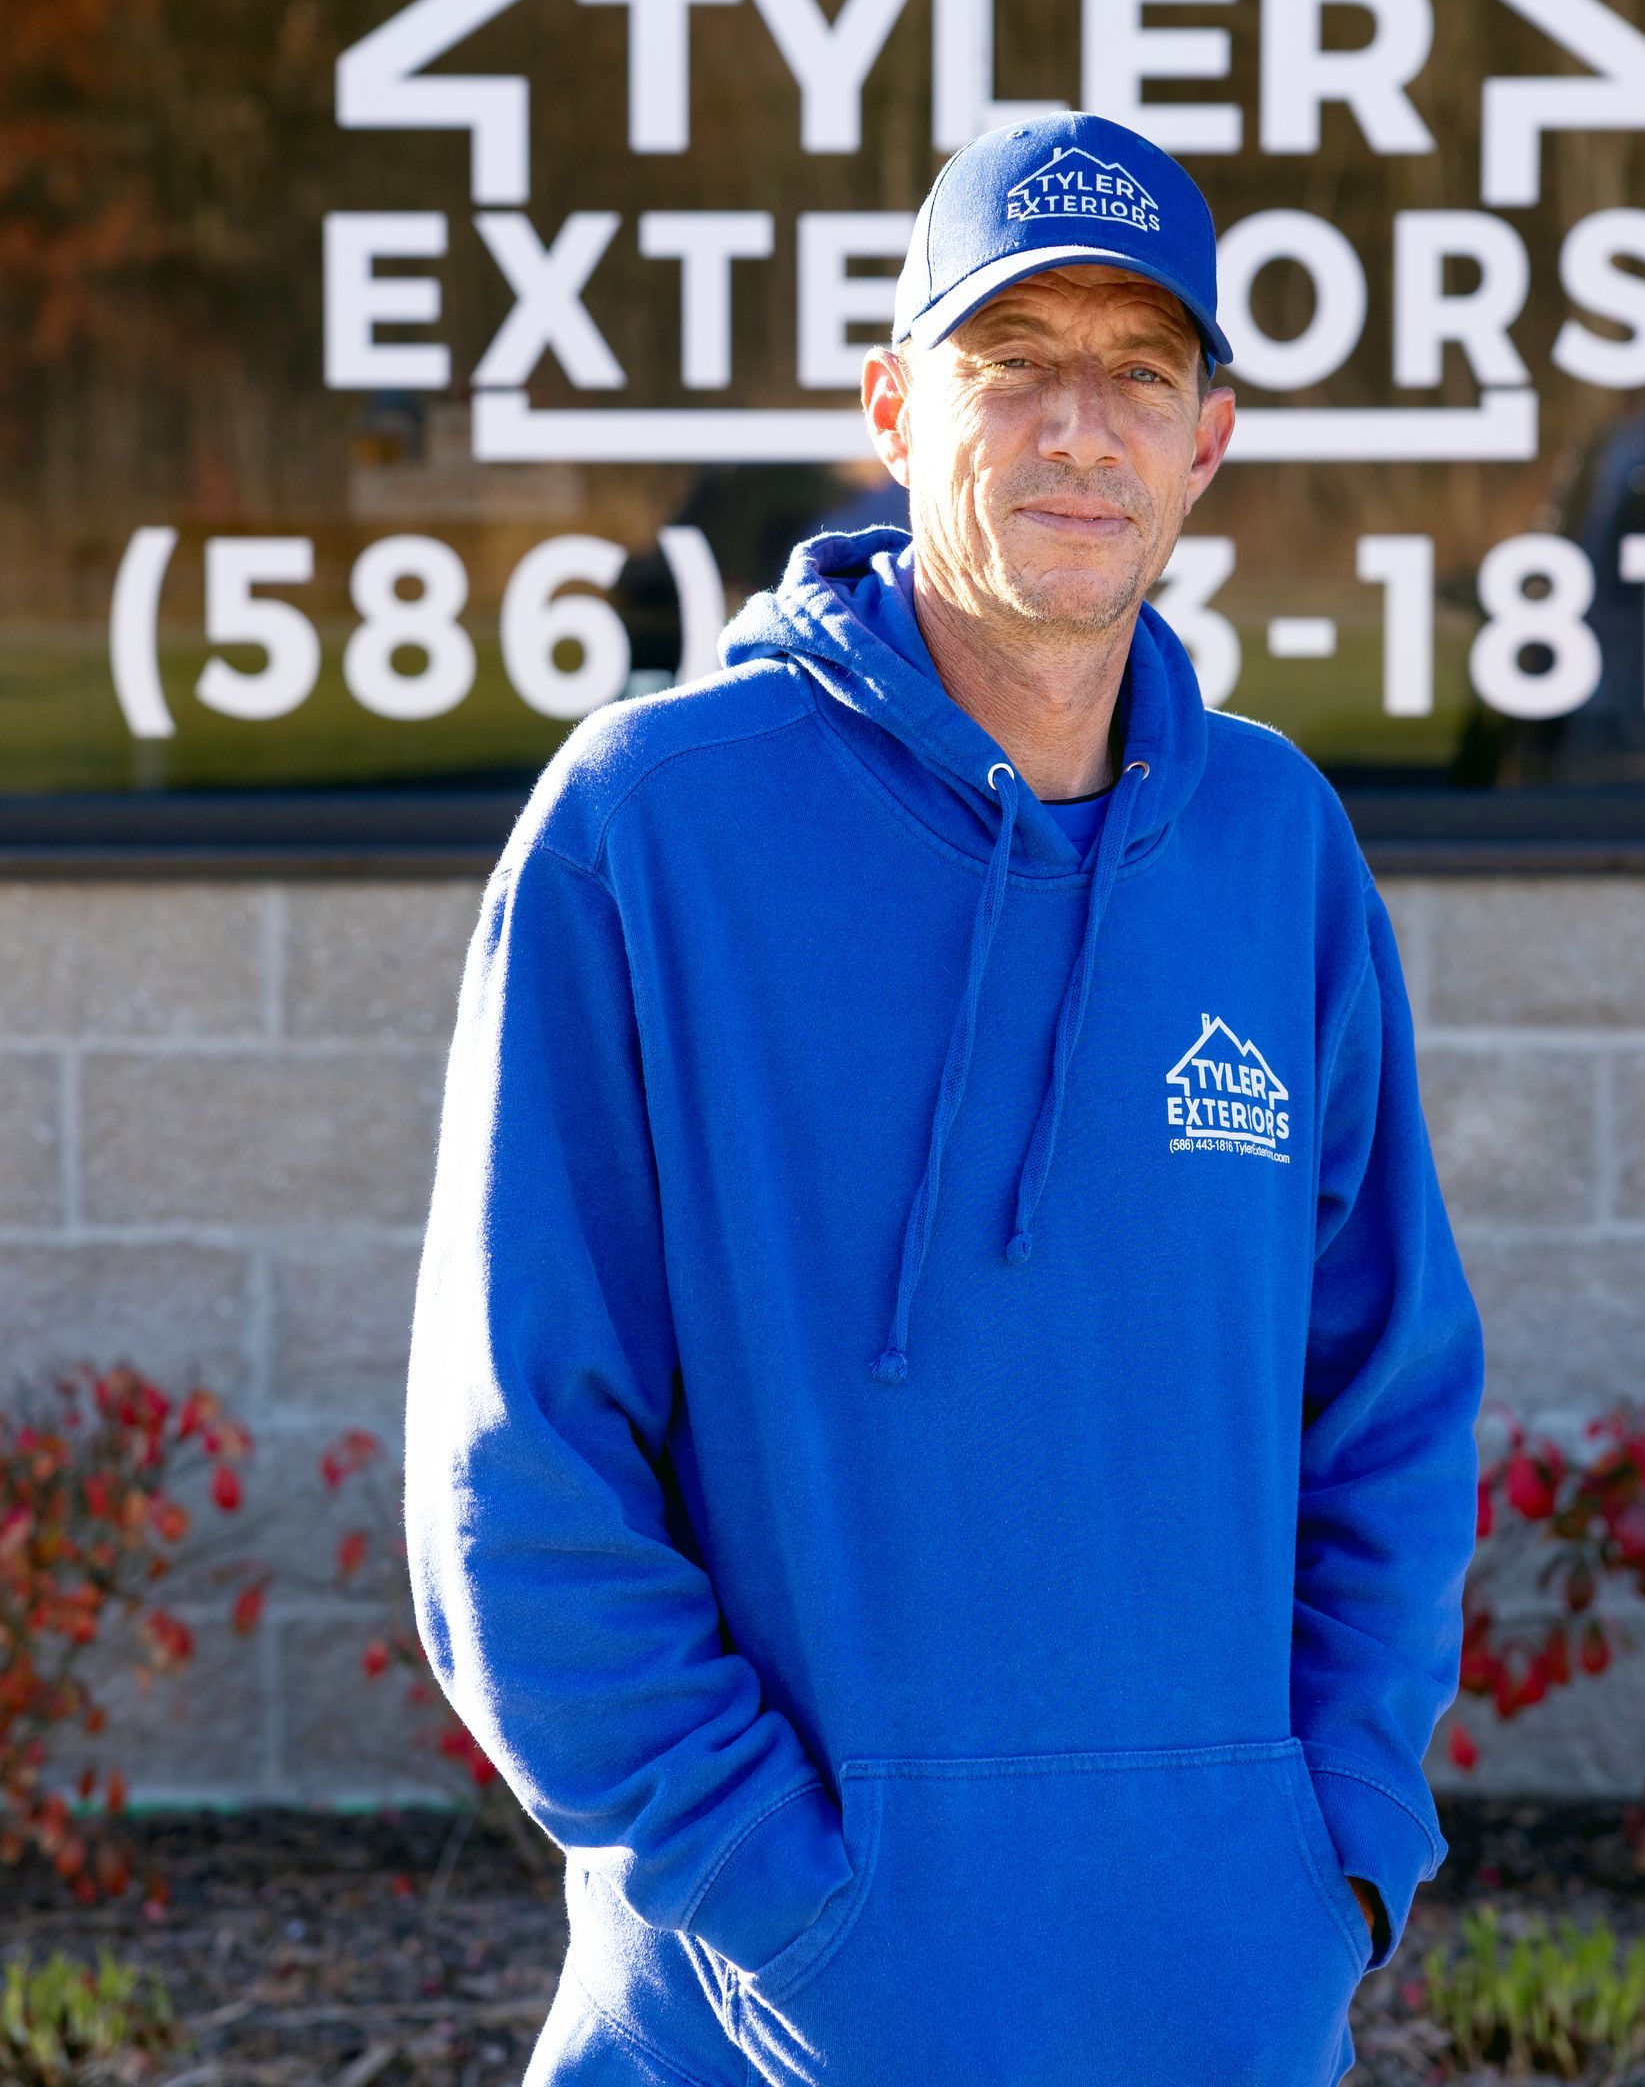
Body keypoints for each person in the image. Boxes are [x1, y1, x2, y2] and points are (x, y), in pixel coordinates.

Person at [405, 108, 1486, 2087]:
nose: (1080, 430)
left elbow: (1390, 1410)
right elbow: (519, 1479)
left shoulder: (1275, 850)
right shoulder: (649, 828)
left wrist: (1327, 1871)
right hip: (750, 2027)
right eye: (1016, 368)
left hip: (1216, 2021)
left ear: (1206, 441)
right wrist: (792, 1908)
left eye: (1138, 373)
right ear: (895, 409)